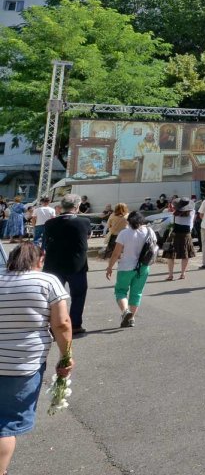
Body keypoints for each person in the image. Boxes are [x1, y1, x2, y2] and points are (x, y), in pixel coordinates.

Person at [0, 241, 74, 474]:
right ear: (40, 260)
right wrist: (66, 356)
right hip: (21, 365)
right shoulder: (47, 281)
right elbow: (62, 324)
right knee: (6, 424)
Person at [41, 193, 91, 336]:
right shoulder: (84, 221)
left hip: (53, 264)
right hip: (77, 264)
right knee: (78, 295)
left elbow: (46, 242)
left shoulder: (49, 223)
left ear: (61, 206)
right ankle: (75, 324)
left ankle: (52, 325)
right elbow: (87, 236)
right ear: (77, 206)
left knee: (52, 297)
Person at [105, 210, 156, 327]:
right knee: (137, 293)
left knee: (120, 291)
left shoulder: (124, 233)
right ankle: (131, 318)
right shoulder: (150, 231)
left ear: (129, 221)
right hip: (143, 267)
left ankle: (125, 311)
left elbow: (116, 253)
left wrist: (109, 267)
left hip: (126, 267)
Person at [163, 198, 195, 281]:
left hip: (174, 235)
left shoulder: (174, 215)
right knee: (185, 255)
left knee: (170, 256)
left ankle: (170, 275)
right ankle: (183, 274)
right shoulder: (192, 213)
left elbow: (171, 224)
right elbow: (191, 224)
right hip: (186, 235)